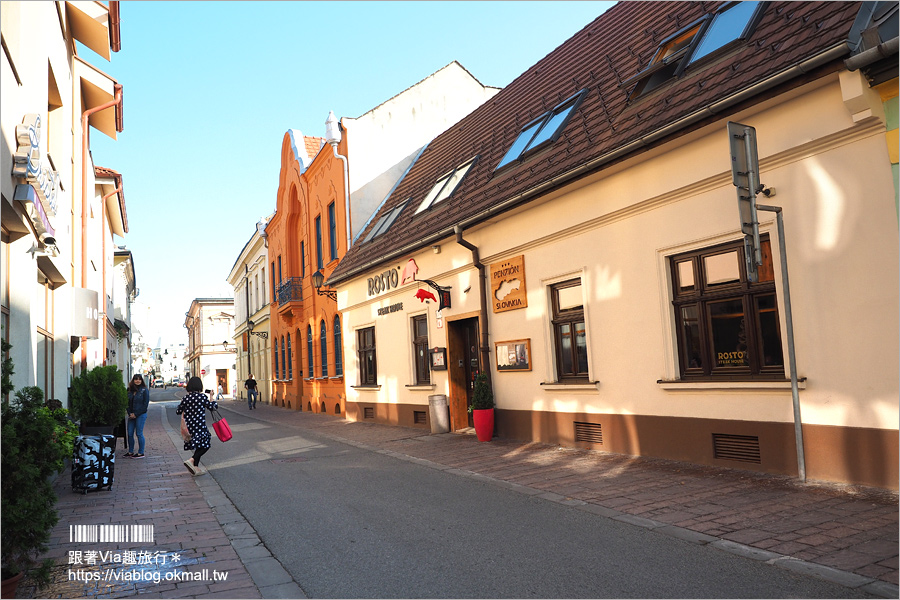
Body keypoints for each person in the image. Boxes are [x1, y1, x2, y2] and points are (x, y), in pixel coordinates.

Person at [176, 376, 217, 476]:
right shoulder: (202, 397)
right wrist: (211, 396)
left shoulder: (185, 398)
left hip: (189, 427)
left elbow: (178, 411)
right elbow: (213, 407)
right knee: (205, 445)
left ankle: (195, 468)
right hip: (200, 426)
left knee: (199, 446)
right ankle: (192, 460)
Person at [125, 374, 150, 458]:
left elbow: (145, 405)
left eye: (139, 379)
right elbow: (127, 403)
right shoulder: (129, 390)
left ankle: (141, 452)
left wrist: (136, 414)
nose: (137, 381)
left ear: (141, 380)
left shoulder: (144, 390)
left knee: (139, 433)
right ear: (133, 380)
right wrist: (130, 413)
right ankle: (130, 451)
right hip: (131, 415)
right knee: (130, 433)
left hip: (141, 414)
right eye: (136, 379)